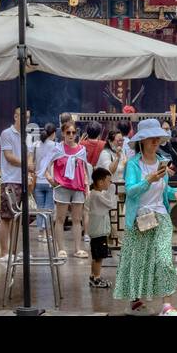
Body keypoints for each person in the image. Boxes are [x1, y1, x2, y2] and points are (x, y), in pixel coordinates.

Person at [113, 119, 177, 315]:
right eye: (151, 138)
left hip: (162, 217)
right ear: (142, 141)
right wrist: (149, 179)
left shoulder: (162, 162)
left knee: (164, 259)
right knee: (138, 261)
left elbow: (164, 189)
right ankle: (135, 302)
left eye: (158, 137)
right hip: (140, 220)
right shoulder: (133, 164)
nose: (156, 141)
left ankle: (167, 305)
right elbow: (130, 191)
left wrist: (175, 194)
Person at [51, 122, 91, 259]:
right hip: (62, 187)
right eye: (68, 132)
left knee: (77, 219)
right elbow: (45, 165)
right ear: (63, 133)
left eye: (73, 132)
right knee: (60, 218)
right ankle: (61, 249)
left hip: (78, 187)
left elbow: (85, 169)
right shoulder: (58, 149)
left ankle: (77, 249)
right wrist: (51, 180)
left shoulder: (81, 149)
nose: (71, 135)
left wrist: (87, 185)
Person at [0, 108, 27, 263]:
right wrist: (28, 165)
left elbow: (28, 156)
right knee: (6, 217)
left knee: (17, 218)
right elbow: (9, 157)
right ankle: (4, 252)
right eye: (23, 116)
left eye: (28, 117)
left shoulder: (26, 135)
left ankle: (15, 251)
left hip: (22, 180)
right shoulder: (6, 134)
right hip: (10, 180)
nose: (25, 119)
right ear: (15, 116)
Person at [86, 166, 117, 290]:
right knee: (99, 257)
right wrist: (112, 191)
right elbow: (111, 204)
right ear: (100, 182)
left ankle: (94, 276)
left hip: (96, 231)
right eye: (108, 181)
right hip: (99, 232)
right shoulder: (97, 195)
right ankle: (97, 277)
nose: (110, 183)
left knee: (96, 256)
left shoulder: (95, 194)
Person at [32, 123, 59, 233]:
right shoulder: (55, 145)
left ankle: (40, 233)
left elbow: (32, 162)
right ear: (53, 133)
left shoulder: (36, 145)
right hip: (49, 181)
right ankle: (46, 233)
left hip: (38, 180)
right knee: (48, 208)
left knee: (40, 208)